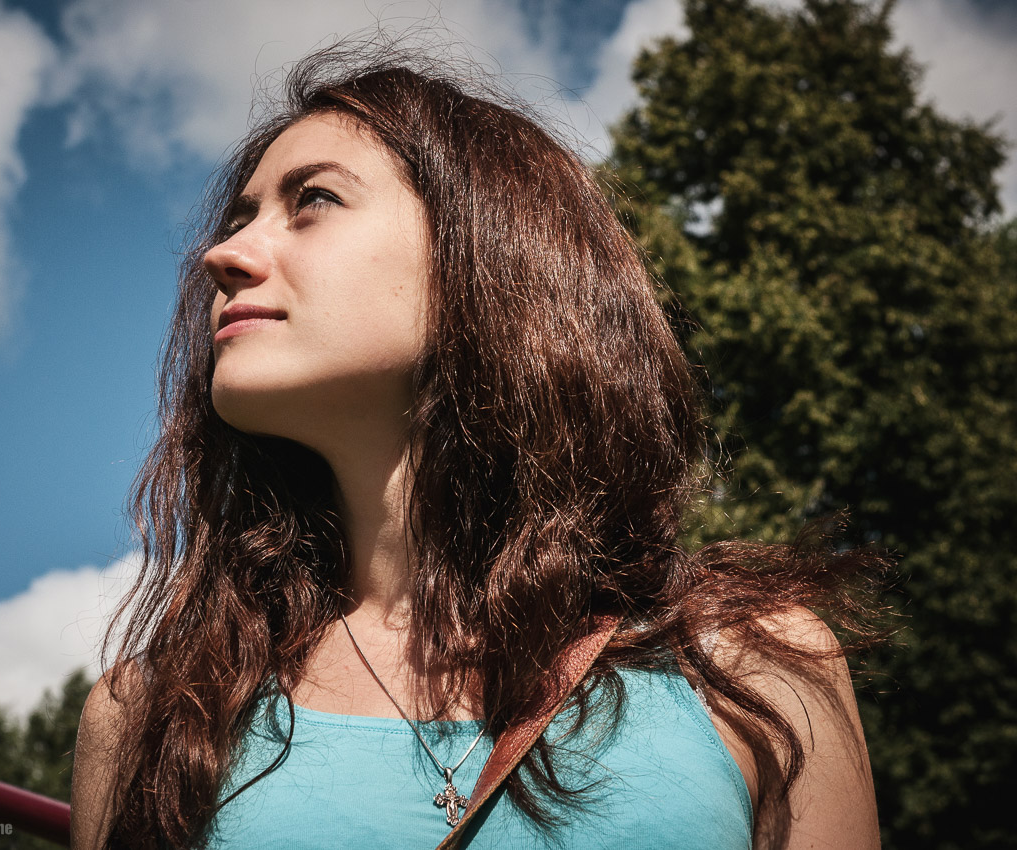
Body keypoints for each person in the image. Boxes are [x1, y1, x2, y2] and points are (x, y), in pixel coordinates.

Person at [71, 45, 882, 850]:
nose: (223, 254)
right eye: (240, 218)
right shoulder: (149, 716)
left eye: (312, 200)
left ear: (486, 251)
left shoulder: (755, 670)